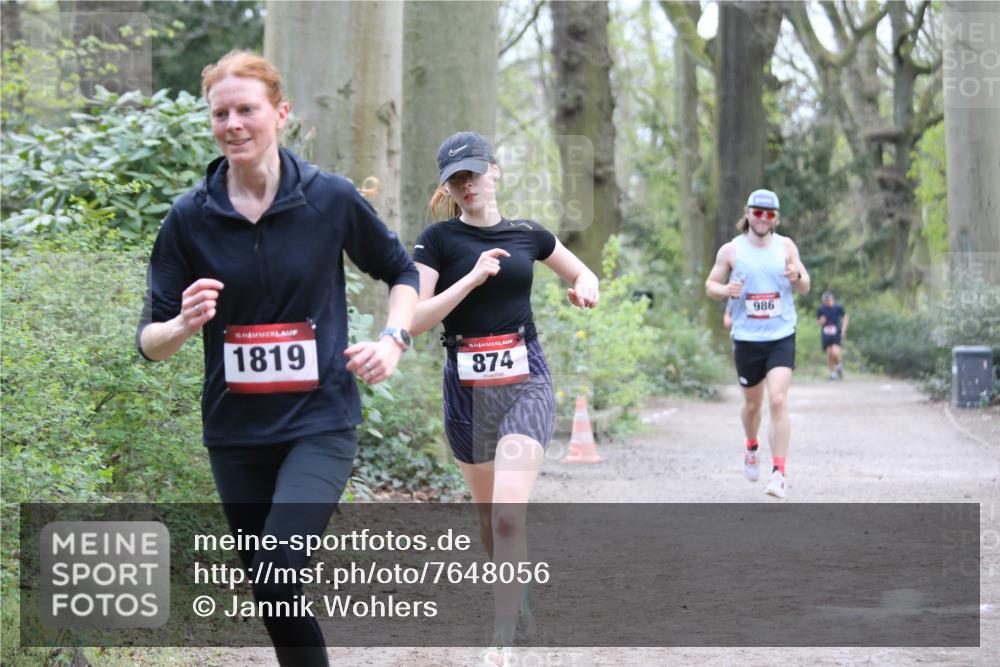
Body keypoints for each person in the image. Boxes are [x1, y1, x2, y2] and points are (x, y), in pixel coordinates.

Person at [136, 51, 418, 667]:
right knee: (274, 591)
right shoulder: (189, 218)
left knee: (279, 562)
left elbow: (400, 271)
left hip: (318, 423)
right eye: (221, 113)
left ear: (280, 114)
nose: (233, 123)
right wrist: (183, 323)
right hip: (235, 433)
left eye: (247, 110)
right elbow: (148, 342)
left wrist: (393, 340)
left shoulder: (330, 199)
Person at [409, 131, 599, 665]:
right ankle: (516, 599)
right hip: (466, 387)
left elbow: (583, 270)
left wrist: (587, 287)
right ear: (448, 188)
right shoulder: (437, 241)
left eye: (474, 172)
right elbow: (416, 320)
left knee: (510, 514)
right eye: (456, 179)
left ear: (495, 171)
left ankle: (501, 636)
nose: (468, 185)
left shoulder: (528, 234)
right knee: (490, 516)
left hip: (526, 379)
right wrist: (468, 280)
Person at [705, 189, 810, 499]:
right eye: (757, 212)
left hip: (781, 334)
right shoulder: (731, 251)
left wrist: (797, 274)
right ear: (747, 213)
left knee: (778, 400)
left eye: (769, 214)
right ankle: (751, 446)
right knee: (753, 405)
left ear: (775, 218)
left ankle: (779, 473)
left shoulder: (786, 246)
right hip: (747, 337)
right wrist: (726, 289)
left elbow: (805, 285)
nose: (763, 218)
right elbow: (710, 286)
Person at [817, 291, 848, 380]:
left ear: (832, 299)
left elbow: (845, 317)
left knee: (835, 352)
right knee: (829, 354)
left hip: (836, 332)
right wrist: (820, 321)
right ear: (823, 301)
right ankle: (833, 374)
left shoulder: (838, 307)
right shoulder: (821, 309)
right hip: (826, 333)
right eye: (826, 301)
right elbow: (818, 321)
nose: (828, 302)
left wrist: (844, 329)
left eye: (829, 300)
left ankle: (838, 365)